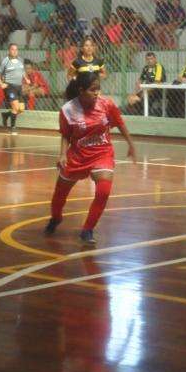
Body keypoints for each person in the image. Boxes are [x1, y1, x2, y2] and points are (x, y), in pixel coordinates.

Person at [44, 71, 138, 245]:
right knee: (59, 196)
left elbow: (120, 123)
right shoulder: (67, 110)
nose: (97, 93)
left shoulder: (107, 105)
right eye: (92, 89)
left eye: (98, 89)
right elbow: (65, 134)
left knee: (103, 192)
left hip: (102, 152)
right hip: (77, 156)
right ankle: (56, 218)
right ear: (81, 90)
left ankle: (87, 230)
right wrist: (62, 154)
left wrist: (131, 145)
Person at [0, 43, 25, 134]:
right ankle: (13, 128)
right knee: (15, 107)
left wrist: (26, 79)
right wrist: (1, 84)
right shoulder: (5, 61)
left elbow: (22, 71)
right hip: (10, 87)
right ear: (9, 50)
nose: (15, 51)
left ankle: (6, 115)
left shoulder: (20, 60)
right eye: (12, 49)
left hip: (19, 87)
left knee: (21, 109)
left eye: (16, 49)